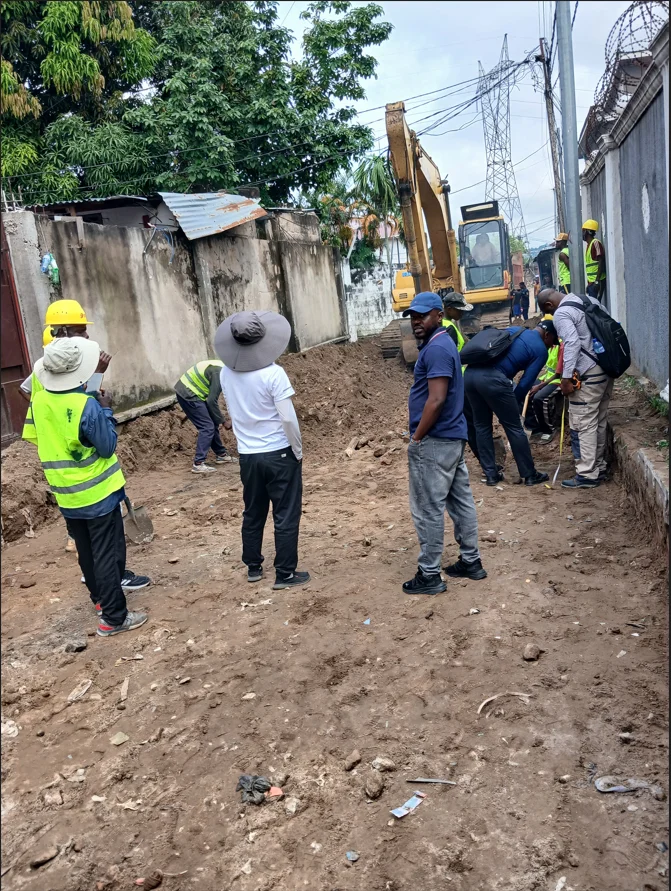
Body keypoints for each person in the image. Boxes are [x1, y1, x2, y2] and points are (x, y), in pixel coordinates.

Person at [25, 338, 149, 637]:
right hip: (98, 494)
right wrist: (105, 410)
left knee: (86, 552)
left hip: (66, 494)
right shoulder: (87, 405)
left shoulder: (40, 401)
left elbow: (35, 436)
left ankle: (100, 600)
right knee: (107, 554)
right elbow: (107, 448)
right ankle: (114, 618)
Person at [215, 310, 310, 590]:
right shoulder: (274, 374)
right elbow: (288, 418)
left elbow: (233, 411)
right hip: (280, 453)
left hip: (248, 456)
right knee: (286, 513)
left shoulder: (225, 373)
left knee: (253, 511)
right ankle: (285, 573)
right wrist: (298, 449)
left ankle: (253, 566)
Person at [402, 291, 486, 596]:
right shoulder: (443, 343)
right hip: (452, 438)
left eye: (422, 316)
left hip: (436, 440)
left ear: (439, 314)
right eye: (412, 317)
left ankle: (429, 574)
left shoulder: (436, 349)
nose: (416, 322)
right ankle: (470, 560)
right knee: (460, 500)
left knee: (427, 507)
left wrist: (417, 437)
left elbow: (436, 400)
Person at [464, 320, 558, 486]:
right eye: (553, 342)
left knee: (481, 425)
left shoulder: (516, 330)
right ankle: (529, 474)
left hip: (470, 375)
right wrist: (512, 404)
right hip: (493, 379)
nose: (552, 347)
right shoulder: (540, 349)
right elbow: (525, 383)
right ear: (548, 335)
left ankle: (491, 475)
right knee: (514, 427)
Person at [538, 287, 614, 488]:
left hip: (588, 374)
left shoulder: (562, 313)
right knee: (598, 420)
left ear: (549, 305)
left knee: (583, 423)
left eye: (549, 312)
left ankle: (587, 474)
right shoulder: (588, 300)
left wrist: (565, 378)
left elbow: (571, 343)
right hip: (605, 370)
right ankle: (598, 466)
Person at [174, 360, 232, 473]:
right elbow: (211, 401)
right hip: (188, 394)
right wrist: (223, 421)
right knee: (207, 427)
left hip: (193, 391)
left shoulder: (224, 368)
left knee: (212, 423)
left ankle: (221, 454)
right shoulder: (220, 374)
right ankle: (198, 464)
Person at [524, 317, 563, 443]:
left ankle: (548, 430)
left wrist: (539, 387)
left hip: (558, 380)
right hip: (547, 378)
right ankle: (534, 428)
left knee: (540, 398)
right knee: (525, 391)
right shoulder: (548, 345)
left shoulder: (560, 345)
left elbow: (558, 374)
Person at [582, 219, 606, 301]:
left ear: (587, 232)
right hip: (592, 283)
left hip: (597, 282)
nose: (582, 233)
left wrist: (597, 281)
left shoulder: (595, 243)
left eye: (583, 231)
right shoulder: (589, 245)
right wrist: (589, 285)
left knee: (595, 306)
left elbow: (601, 260)